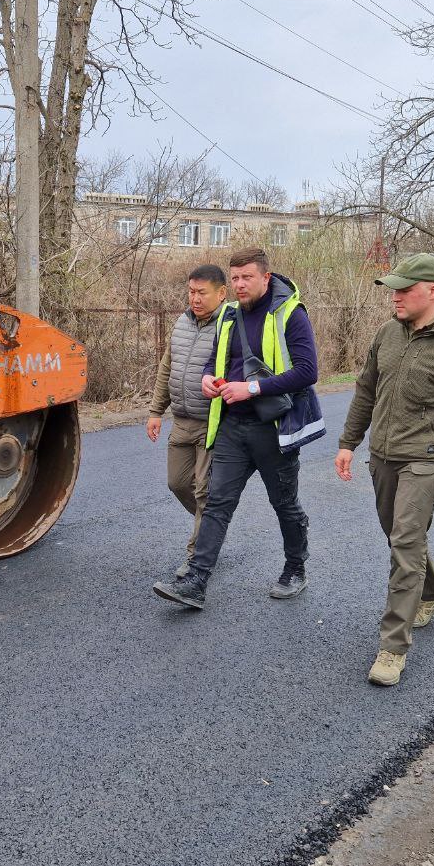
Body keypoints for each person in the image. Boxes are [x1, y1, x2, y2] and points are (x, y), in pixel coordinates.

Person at [334, 253, 434, 687]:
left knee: (405, 542)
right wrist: (349, 442)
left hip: (425, 459)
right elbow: (366, 389)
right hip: (382, 455)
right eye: (393, 289)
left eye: (404, 290)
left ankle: (392, 648)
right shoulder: (387, 333)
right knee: (400, 534)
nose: (396, 297)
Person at [152, 247, 325, 610]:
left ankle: (295, 568)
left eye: (247, 277)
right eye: (235, 278)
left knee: (284, 505)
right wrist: (207, 380)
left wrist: (253, 387)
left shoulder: (290, 314)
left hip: (273, 430)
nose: (240, 284)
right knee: (216, 503)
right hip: (232, 426)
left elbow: (308, 372)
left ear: (266, 276)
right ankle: (196, 583)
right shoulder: (228, 317)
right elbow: (217, 359)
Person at [146, 264, 229, 577]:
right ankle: (213, 525)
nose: (195, 298)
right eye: (191, 292)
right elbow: (167, 368)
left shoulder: (231, 325)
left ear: (221, 293)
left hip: (213, 421)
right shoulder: (181, 322)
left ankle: (198, 557)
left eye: (202, 293)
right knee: (178, 483)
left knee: (204, 491)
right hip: (181, 420)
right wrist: (156, 411)